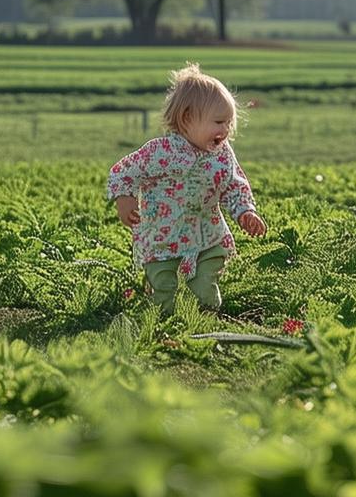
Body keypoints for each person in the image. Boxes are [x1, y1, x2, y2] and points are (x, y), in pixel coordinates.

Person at [106, 63, 267, 315]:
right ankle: (162, 323)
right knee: (164, 290)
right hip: (163, 237)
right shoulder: (160, 152)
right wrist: (124, 198)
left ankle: (203, 316)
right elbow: (124, 171)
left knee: (205, 285)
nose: (225, 130)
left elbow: (234, 184)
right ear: (187, 118)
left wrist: (245, 211)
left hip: (207, 235)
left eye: (229, 123)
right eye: (218, 122)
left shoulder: (221, 155)